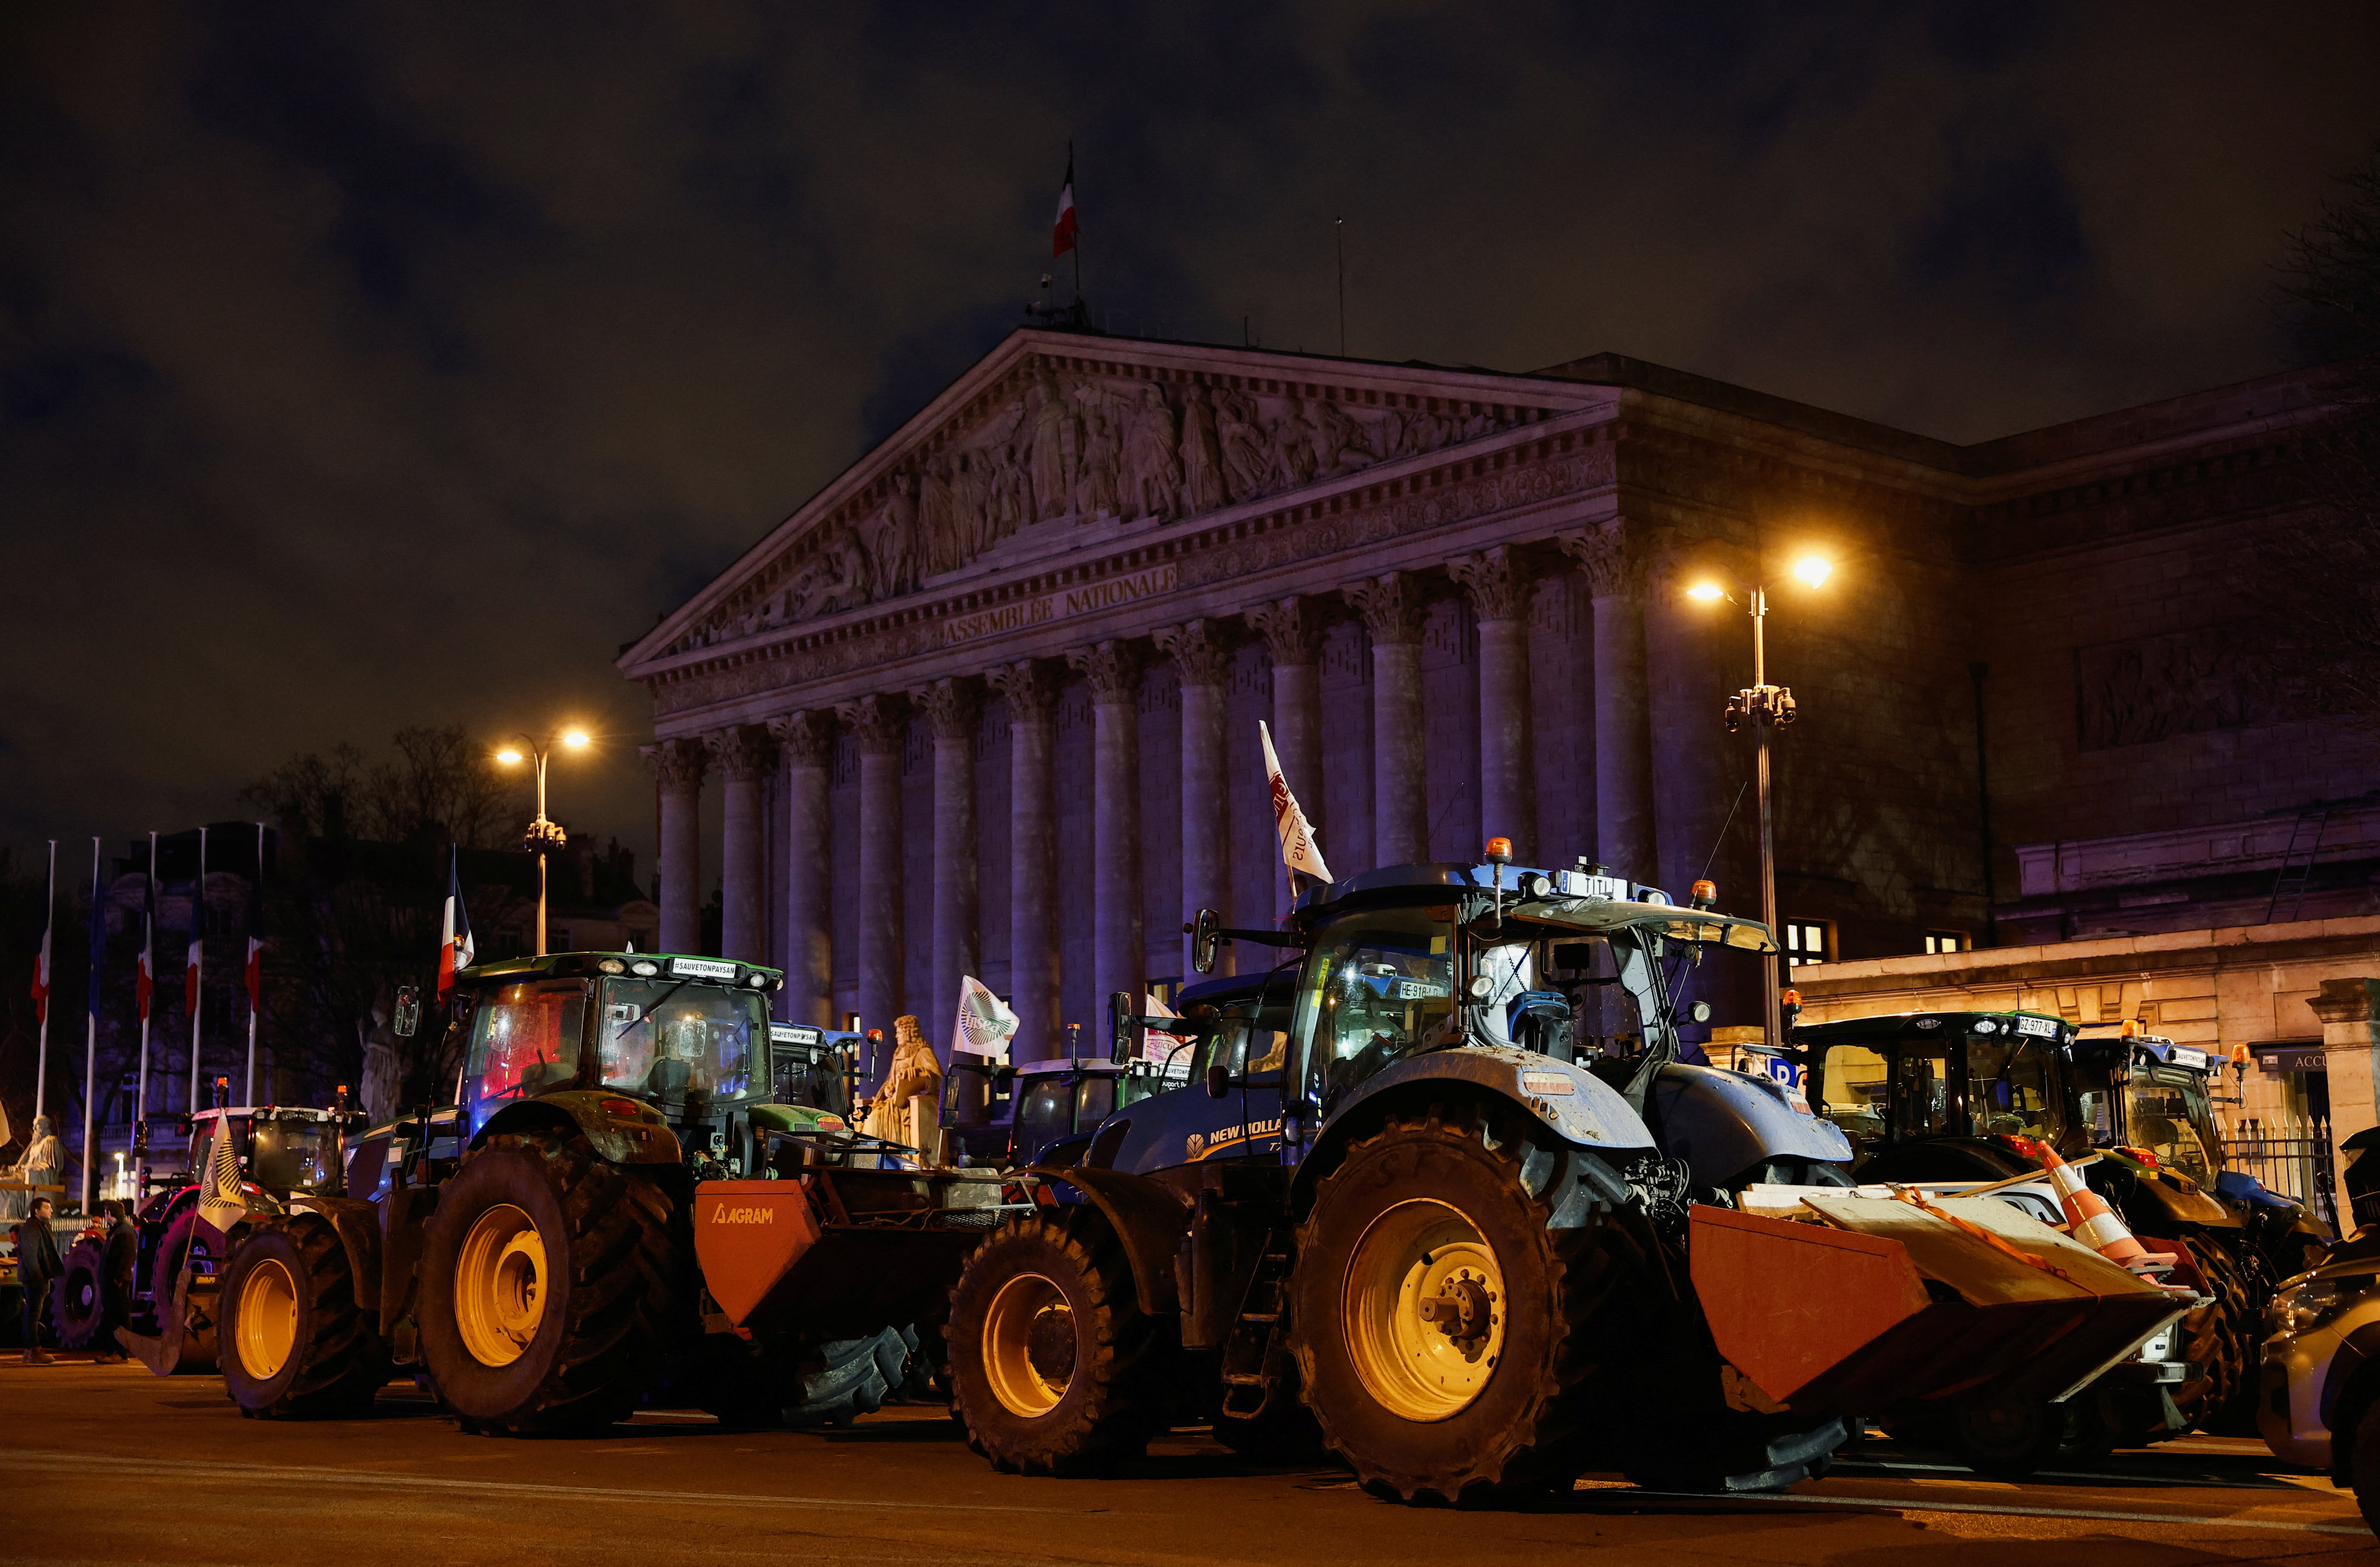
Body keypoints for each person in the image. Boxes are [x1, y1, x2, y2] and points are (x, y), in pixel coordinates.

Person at [15, 1195, 62, 1363]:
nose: (51, 1210)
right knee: (33, 1314)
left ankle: (31, 1351)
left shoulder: (40, 1226)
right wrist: (39, 1277)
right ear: (37, 1211)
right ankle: (33, 1350)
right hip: (36, 1278)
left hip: (39, 1277)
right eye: (47, 1208)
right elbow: (30, 1256)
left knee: (34, 1314)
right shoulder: (32, 1229)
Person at [96, 1199, 135, 1363]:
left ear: (109, 1214)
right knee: (112, 1316)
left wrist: (119, 1278)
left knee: (120, 1316)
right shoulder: (117, 1230)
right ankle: (113, 1351)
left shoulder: (125, 1231)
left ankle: (120, 1353)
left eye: (105, 1212)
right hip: (111, 1281)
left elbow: (128, 1257)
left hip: (117, 1282)